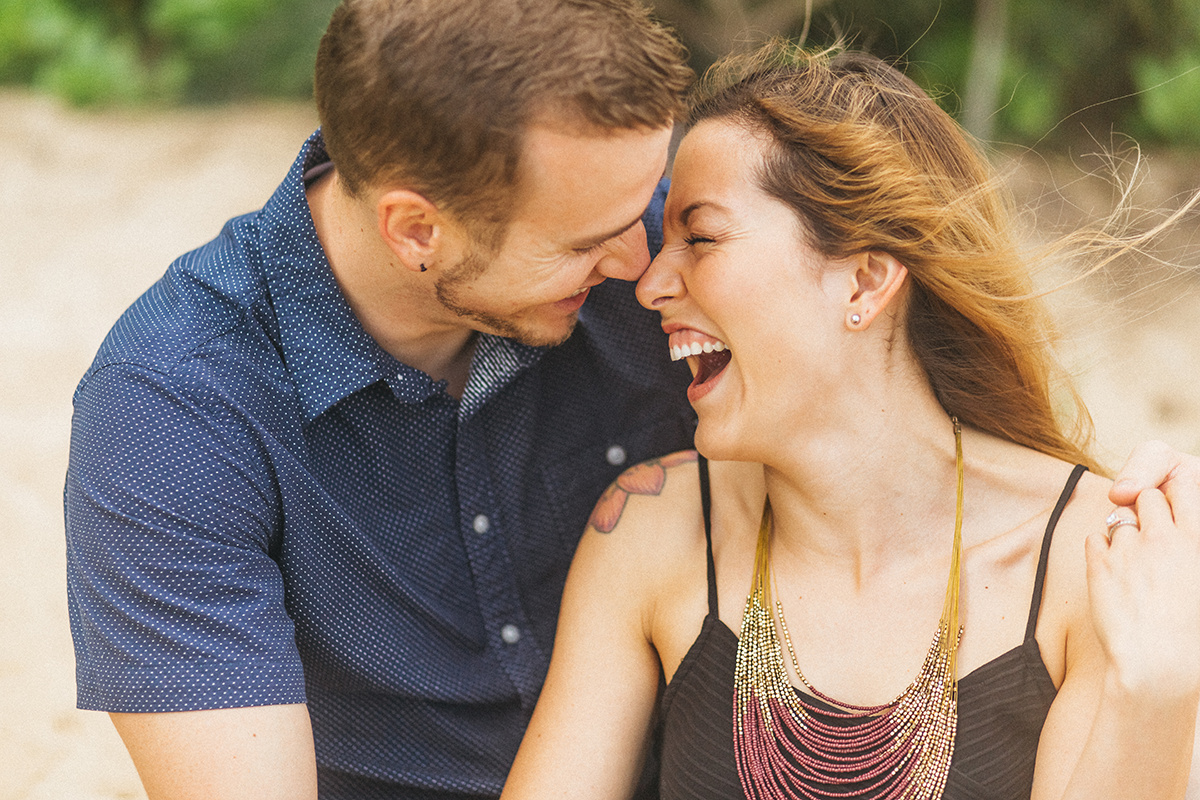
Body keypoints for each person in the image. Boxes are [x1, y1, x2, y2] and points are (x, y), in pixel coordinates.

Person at [501, 45, 1200, 800]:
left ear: (865, 279)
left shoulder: (1099, 562)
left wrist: (1157, 691)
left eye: (699, 238)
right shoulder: (651, 527)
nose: (651, 285)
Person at [63, 1, 697, 797]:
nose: (643, 265)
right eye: (583, 242)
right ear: (417, 230)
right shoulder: (173, 410)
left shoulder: (668, 257)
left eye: (645, 204)